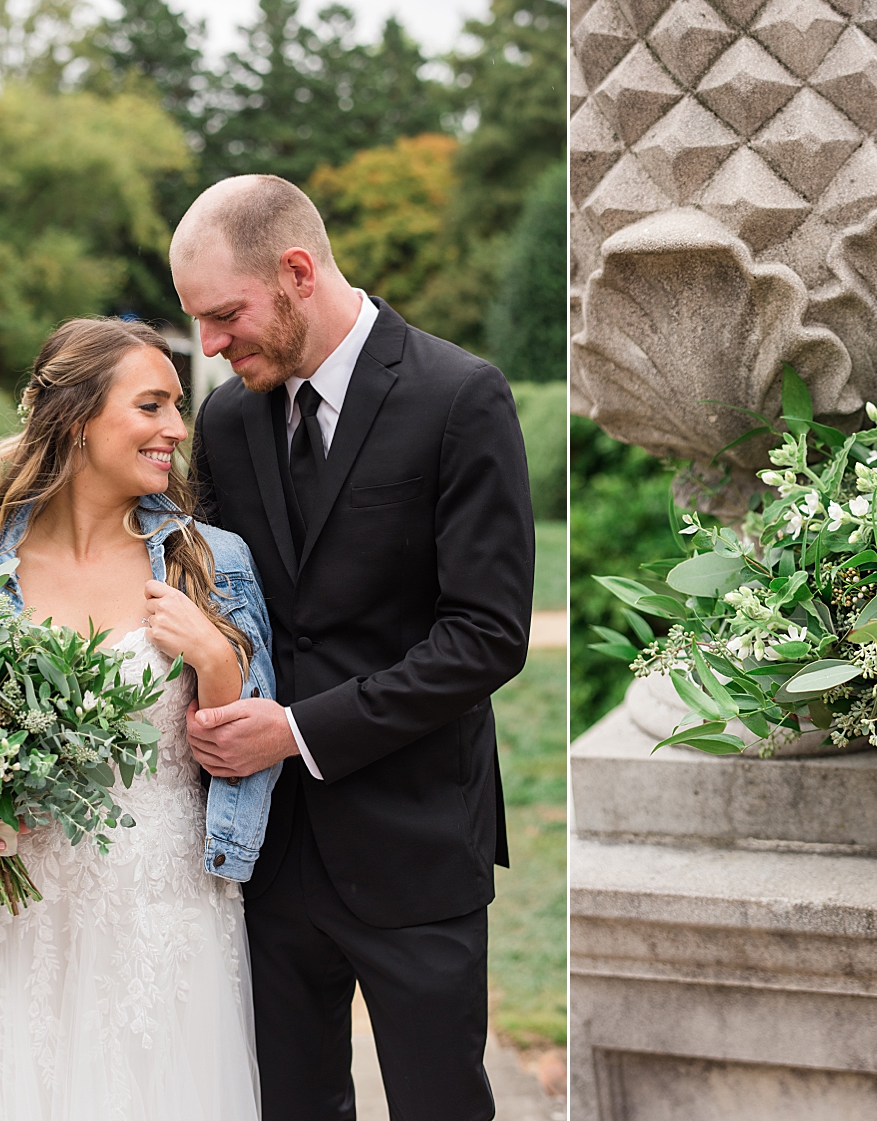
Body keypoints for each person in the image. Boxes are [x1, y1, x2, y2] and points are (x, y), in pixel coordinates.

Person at [169, 174, 535, 1121]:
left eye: (224, 315)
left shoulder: (461, 397)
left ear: (296, 272)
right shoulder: (226, 420)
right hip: (269, 849)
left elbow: (486, 637)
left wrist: (295, 729)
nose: (210, 345)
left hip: (415, 843)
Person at [0, 318, 282, 1120]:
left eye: (177, 407)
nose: (176, 428)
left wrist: (217, 662)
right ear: (76, 419)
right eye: (151, 405)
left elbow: (245, 759)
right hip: (16, 918)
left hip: (167, 911)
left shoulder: (211, 561)